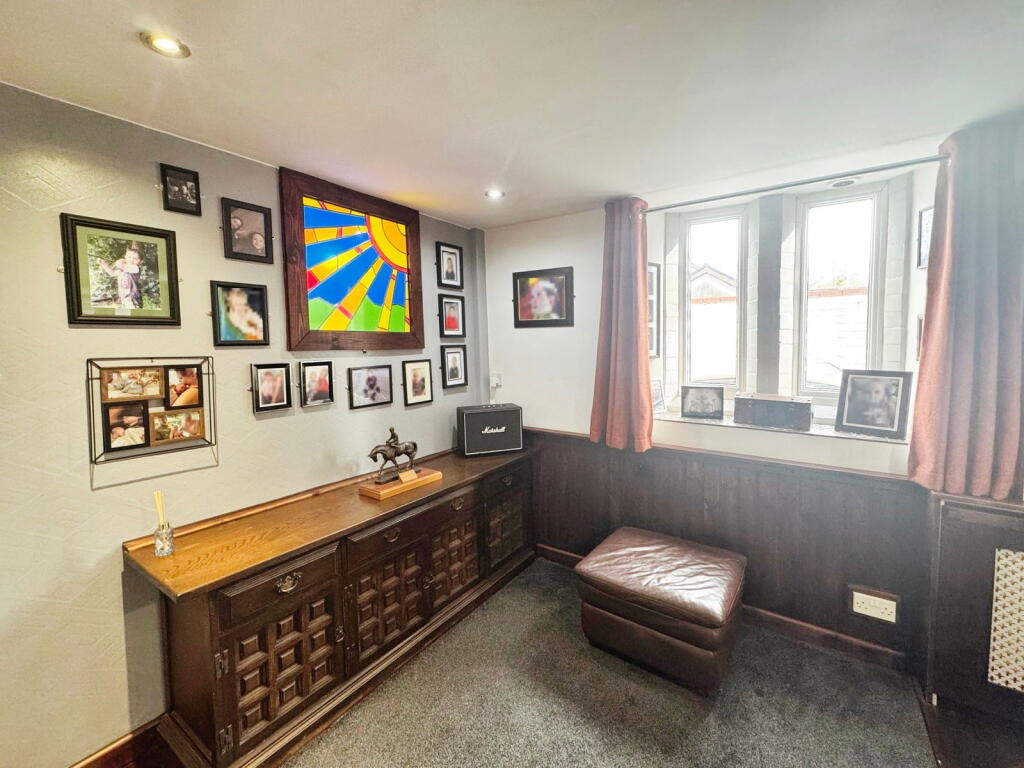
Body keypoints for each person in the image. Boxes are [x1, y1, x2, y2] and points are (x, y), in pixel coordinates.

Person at [95, 241, 142, 309]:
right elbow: (112, 273)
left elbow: (120, 265)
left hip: (133, 298)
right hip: (124, 298)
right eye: (129, 257)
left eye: (135, 259)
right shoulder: (122, 271)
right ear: (125, 257)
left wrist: (120, 261)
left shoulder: (135, 269)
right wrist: (103, 264)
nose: (131, 260)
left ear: (140, 262)